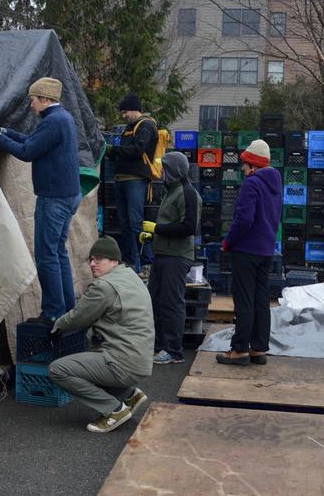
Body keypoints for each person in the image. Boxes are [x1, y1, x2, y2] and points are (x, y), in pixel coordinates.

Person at [0, 77, 81, 322]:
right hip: (68, 196)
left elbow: (27, 152)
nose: (30, 105)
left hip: (54, 199)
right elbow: (33, 142)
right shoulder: (62, 119)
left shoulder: (53, 122)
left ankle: (51, 313)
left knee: (46, 255)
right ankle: (67, 309)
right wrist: (7, 132)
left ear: (44, 99)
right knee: (58, 252)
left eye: (32, 100)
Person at [47, 236, 154, 433]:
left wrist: (55, 326)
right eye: (91, 259)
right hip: (140, 359)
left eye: (99, 259)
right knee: (92, 356)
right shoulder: (131, 277)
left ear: (114, 261)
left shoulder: (104, 286)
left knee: (58, 370)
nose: (93, 264)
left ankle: (114, 410)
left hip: (123, 363)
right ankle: (129, 395)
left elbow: (78, 318)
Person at [217, 139, 282, 366]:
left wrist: (228, 242)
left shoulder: (251, 184)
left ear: (252, 165)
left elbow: (243, 220)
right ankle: (259, 348)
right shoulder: (275, 182)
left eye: (244, 164)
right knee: (261, 301)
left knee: (244, 300)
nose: (242, 168)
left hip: (245, 250)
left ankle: (239, 350)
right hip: (266, 250)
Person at [139, 151, 200, 365]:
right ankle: (158, 346)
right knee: (154, 300)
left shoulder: (187, 193)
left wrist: (158, 228)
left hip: (177, 256)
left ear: (174, 170)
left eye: (165, 168)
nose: (161, 171)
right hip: (163, 254)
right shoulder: (170, 191)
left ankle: (173, 350)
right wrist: (153, 234)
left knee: (171, 303)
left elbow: (188, 227)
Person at [108, 93, 157, 274]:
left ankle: (147, 263)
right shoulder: (130, 127)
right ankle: (129, 262)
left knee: (136, 222)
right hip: (122, 179)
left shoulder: (146, 126)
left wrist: (114, 151)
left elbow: (138, 150)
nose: (123, 115)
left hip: (135, 180)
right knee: (125, 223)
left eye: (125, 112)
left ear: (134, 109)